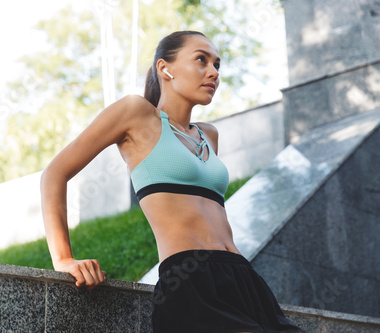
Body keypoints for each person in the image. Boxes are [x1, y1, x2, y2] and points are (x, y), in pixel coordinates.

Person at [41, 31, 304, 333]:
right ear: (165, 69)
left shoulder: (209, 135)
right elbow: (55, 173)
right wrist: (63, 259)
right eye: (201, 60)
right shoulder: (136, 114)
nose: (214, 72)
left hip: (243, 278)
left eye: (218, 65)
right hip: (189, 283)